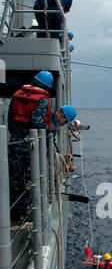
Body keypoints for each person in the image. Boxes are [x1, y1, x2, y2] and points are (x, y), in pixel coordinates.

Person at [8, 71, 54, 221]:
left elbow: (10, 120)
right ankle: (28, 213)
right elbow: (36, 122)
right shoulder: (42, 100)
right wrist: (49, 129)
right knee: (31, 179)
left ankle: (15, 211)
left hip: (15, 143)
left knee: (15, 179)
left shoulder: (17, 95)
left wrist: (16, 135)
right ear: (47, 87)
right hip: (30, 147)